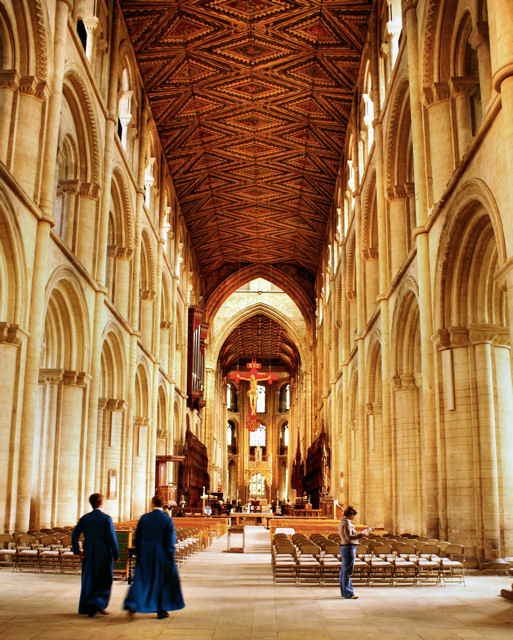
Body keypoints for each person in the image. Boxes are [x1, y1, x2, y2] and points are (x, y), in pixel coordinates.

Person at [124, 495, 185, 619]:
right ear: (163, 505)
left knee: (141, 580)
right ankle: (161, 610)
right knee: (162, 582)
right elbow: (170, 540)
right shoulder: (167, 519)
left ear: (152, 504)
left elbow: (137, 538)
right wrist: (170, 554)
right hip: (162, 555)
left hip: (145, 554)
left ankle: (133, 604)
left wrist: (139, 552)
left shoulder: (144, 518)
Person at [71, 493, 119, 617]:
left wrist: (77, 551)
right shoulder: (106, 518)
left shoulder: (85, 518)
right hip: (104, 553)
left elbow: (74, 535)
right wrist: (116, 554)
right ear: (101, 503)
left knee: (89, 579)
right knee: (104, 579)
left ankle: (88, 605)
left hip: (89, 552)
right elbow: (111, 538)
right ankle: (97, 604)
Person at [338, 505, 370, 600]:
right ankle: (348, 593)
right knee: (347, 571)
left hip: (345, 547)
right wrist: (361, 535)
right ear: (350, 514)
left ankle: (345, 592)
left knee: (344, 571)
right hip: (348, 547)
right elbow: (349, 537)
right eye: (354, 515)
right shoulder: (346, 523)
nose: (354, 517)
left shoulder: (342, 521)